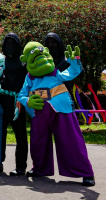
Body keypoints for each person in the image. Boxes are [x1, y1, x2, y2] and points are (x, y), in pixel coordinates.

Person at [17, 42, 94, 186]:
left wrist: (75, 61)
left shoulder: (55, 73)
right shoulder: (29, 77)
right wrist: (28, 102)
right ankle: (40, 169)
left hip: (61, 110)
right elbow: (21, 95)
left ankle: (85, 173)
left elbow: (72, 73)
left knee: (70, 140)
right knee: (38, 142)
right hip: (39, 112)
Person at [0, 33, 28, 176]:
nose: (9, 46)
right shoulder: (1, 61)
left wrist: (24, 99)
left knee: (20, 135)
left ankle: (21, 166)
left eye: (13, 44)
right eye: (7, 44)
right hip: (2, 102)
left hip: (18, 103)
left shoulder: (23, 63)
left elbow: (28, 84)